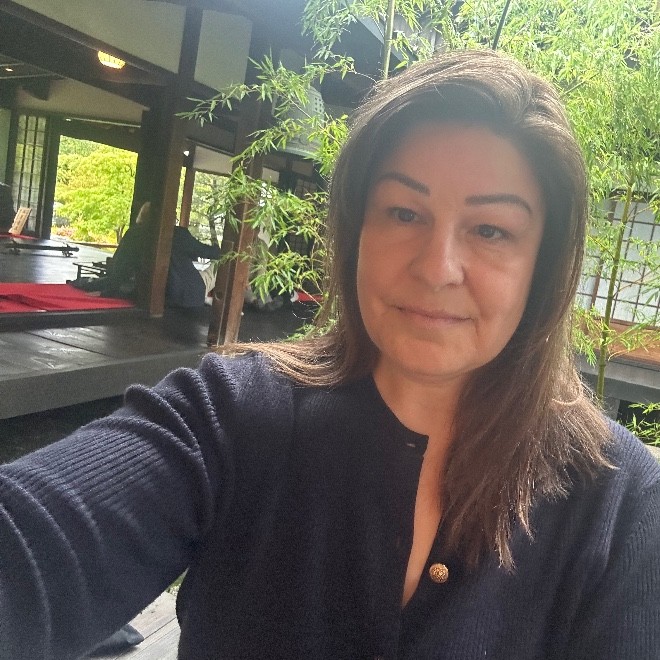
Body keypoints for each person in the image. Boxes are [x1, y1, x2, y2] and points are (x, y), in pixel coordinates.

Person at [1, 49, 659, 660]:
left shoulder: (619, 501)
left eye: (490, 229)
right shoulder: (231, 416)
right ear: (356, 230)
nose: (437, 268)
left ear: (542, 266)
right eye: (404, 213)